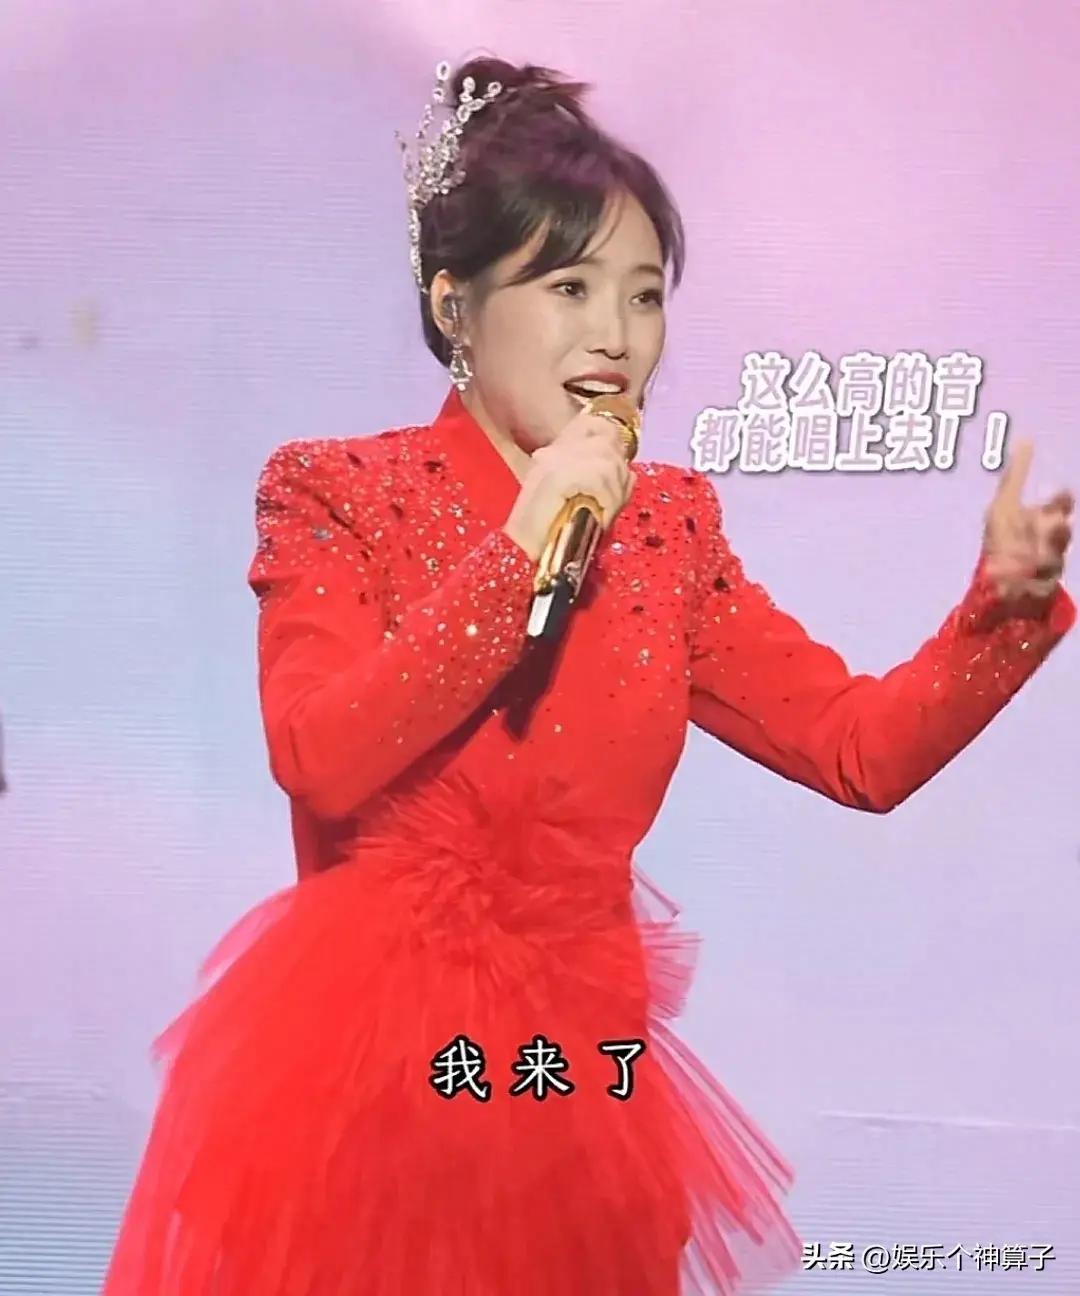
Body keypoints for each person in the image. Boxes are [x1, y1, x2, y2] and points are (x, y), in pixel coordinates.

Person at [102, 55, 1074, 1296]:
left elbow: (858, 747)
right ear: (455, 306)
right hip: (374, 1114)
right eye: (569, 288)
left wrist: (1003, 612)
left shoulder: (666, 527)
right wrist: (525, 544)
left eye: (645, 295)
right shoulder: (338, 492)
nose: (617, 338)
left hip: (578, 1108)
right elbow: (320, 755)